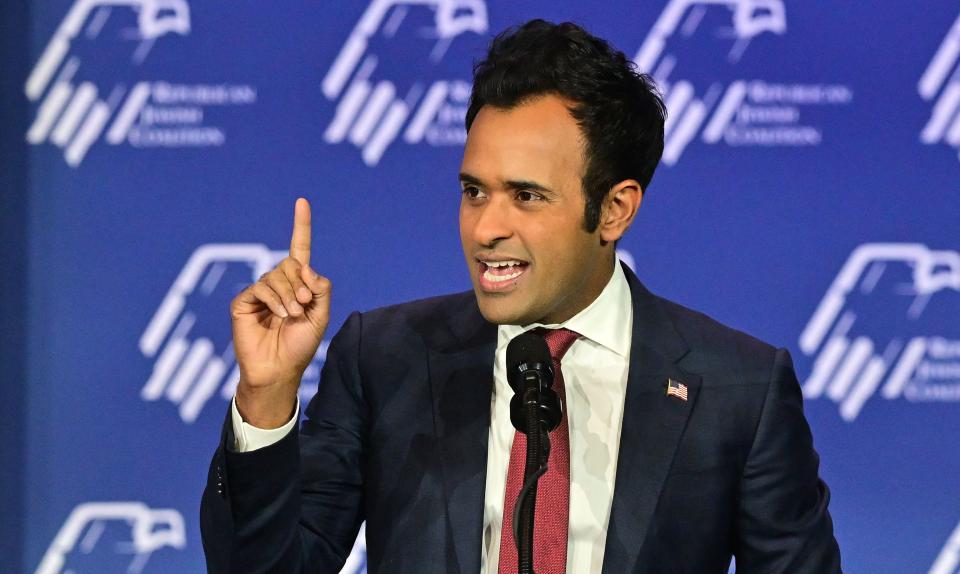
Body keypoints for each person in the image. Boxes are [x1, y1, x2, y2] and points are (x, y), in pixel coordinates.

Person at [200, 19, 841, 574]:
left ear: (615, 209)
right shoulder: (383, 358)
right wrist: (266, 396)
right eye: (473, 190)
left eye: (526, 196)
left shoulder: (738, 391)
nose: (485, 228)